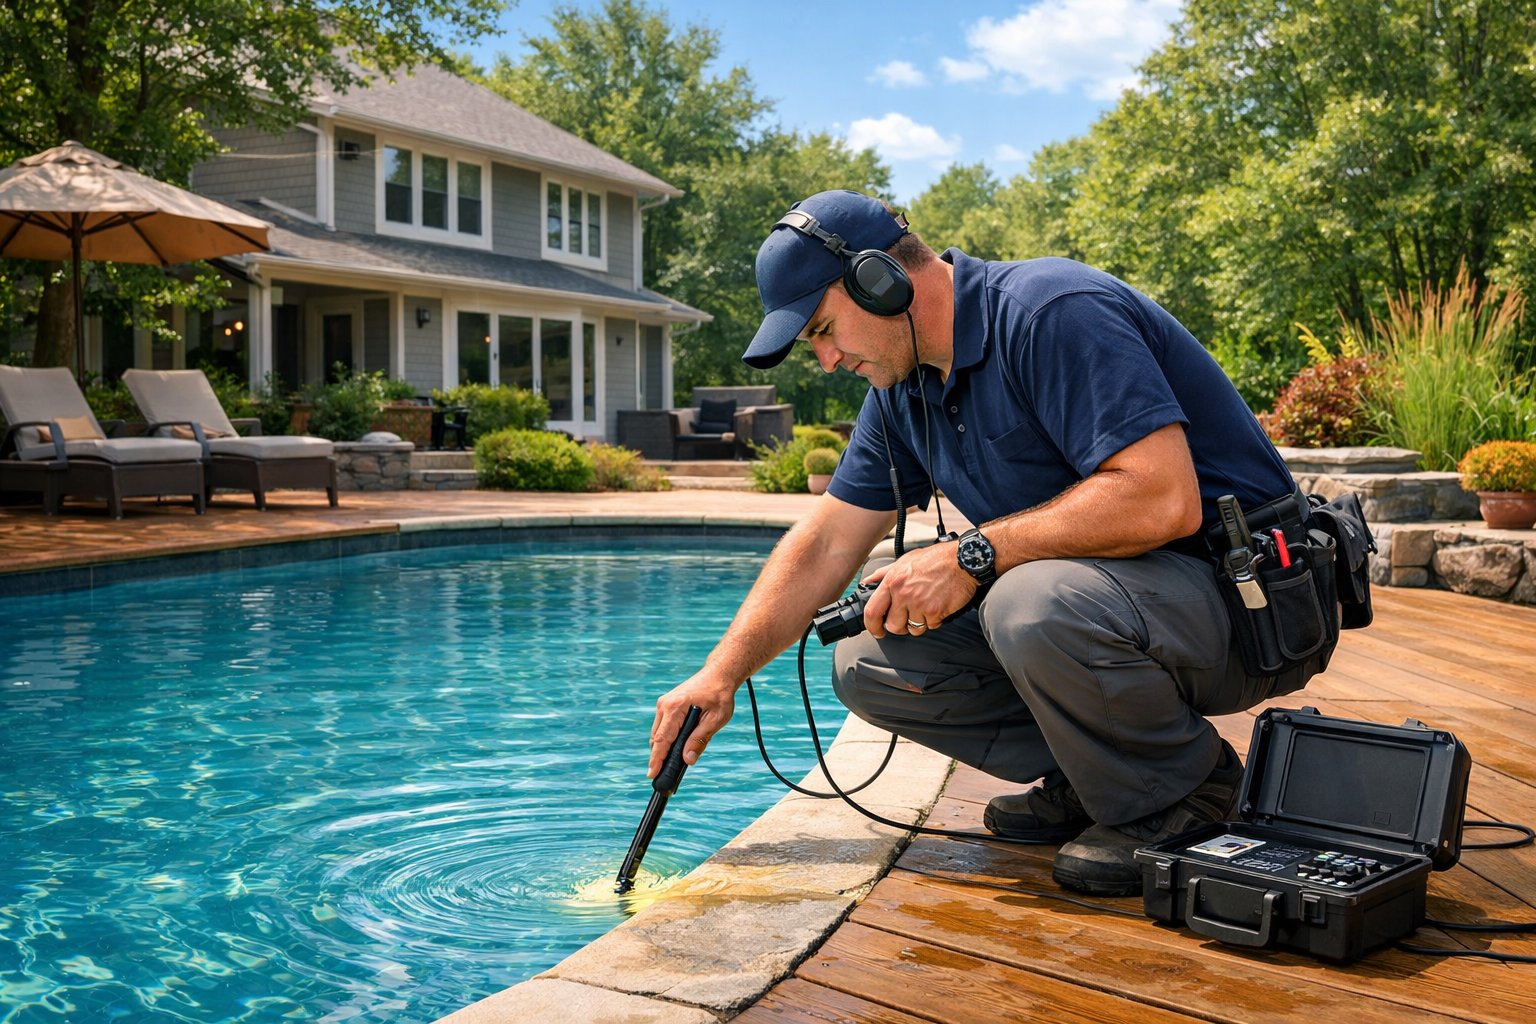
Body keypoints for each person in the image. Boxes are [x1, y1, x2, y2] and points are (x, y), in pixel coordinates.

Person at [647, 189, 1319, 896]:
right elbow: (826, 541)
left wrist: (971, 555)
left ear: (881, 281)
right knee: (868, 657)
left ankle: (1183, 793)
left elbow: (1164, 496)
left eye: (821, 329)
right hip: (1123, 615)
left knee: (1028, 599)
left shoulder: (1051, 311)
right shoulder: (902, 392)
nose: (825, 360)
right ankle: (1097, 776)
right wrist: (720, 675)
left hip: (1249, 611)